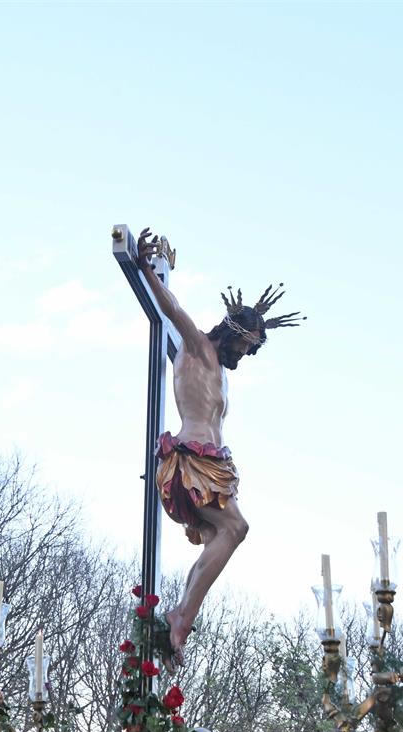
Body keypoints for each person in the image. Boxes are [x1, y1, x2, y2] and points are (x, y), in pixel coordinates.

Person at [137, 228, 305, 672]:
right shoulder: (196, 348)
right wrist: (147, 272)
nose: (244, 357)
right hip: (190, 462)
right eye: (244, 347)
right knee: (235, 529)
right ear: (230, 334)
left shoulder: (221, 372)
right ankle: (182, 617)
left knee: (219, 536)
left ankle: (180, 617)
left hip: (211, 467)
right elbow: (172, 310)